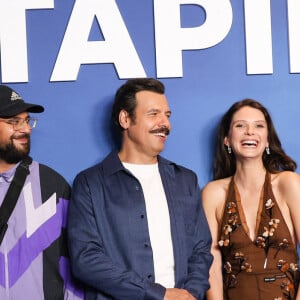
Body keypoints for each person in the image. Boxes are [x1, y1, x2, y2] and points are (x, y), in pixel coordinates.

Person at [68, 78, 213, 300]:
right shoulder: (90, 183)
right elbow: (86, 259)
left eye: (167, 115)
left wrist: (189, 294)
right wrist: (157, 294)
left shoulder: (185, 180)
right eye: (154, 114)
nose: (165, 124)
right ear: (125, 119)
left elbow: (201, 249)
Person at [202, 98, 300, 299]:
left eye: (258, 126)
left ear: (267, 140)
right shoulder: (213, 193)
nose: (250, 132)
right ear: (227, 140)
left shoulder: (287, 183)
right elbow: (210, 262)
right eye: (240, 126)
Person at [0, 85, 84, 299]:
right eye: (14, 122)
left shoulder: (52, 185)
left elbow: (73, 263)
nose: (26, 129)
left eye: (27, 120)